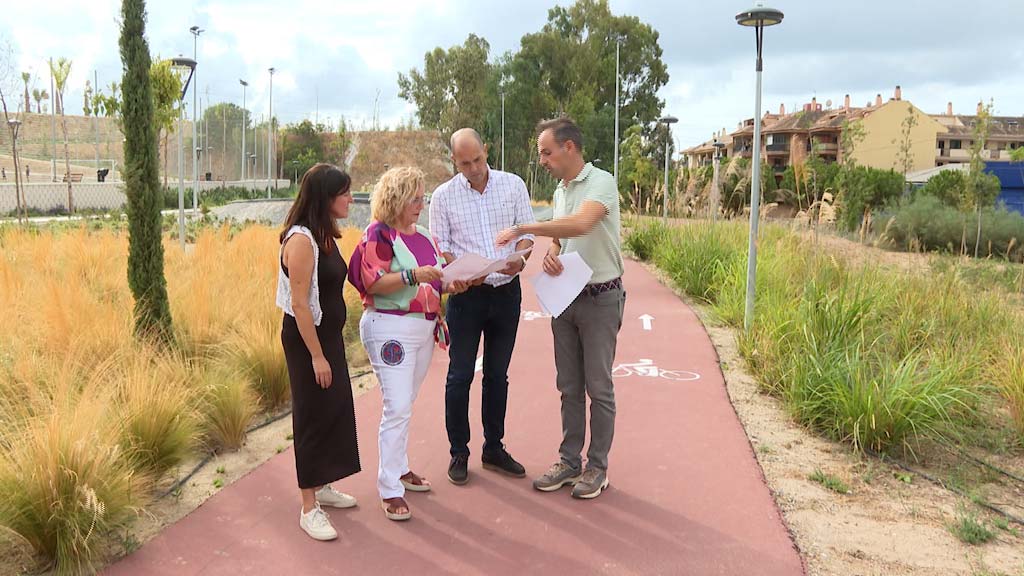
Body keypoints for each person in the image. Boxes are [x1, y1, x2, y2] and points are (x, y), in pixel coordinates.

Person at [496, 117, 625, 500]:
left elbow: (583, 224)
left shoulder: (601, 182)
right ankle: (569, 462)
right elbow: (561, 239)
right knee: (568, 386)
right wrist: (552, 254)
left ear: (570, 148)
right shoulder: (559, 191)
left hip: (601, 298)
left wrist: (525, 228)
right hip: (565, 297)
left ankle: (596, 467)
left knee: (598, 387)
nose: (542, 160)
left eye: (546, 152)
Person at [348, 166, 468, 521]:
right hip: (390, 327)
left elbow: (437, 280)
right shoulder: (379, 234)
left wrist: (454, 283)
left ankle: (399, 469)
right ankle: (389, 487)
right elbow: (372, 282)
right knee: (397, 406)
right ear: (396, 198)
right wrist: (414, 275)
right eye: (415, 198)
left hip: (423, 327)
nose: (421, 204)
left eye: (422, 197)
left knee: (405, 404)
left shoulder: (426, 236)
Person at [429, 128, 536, 485]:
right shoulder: (443, 197)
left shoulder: (513, 185)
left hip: (507, 291)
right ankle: (459, 451)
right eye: (464, 163)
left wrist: (520, 259)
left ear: (486, 150)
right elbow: (439, 244)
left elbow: (527, 234)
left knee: (497, 375)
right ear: (454, 161)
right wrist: (457, 269)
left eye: (477, 159)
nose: (473, 168)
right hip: (467, 295)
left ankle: (494, 448)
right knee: (459, 376)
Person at [276, 163, 361, 541]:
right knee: (311, 414)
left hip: (327, 338)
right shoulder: (301, 241)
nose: (350, 198)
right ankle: (309, 507)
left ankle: (323, 483)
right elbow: (300, 304)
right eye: (344, 192)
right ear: (325, 198)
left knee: (335, 406)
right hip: (306, 341)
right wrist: (316, 356)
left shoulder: (325, 235)